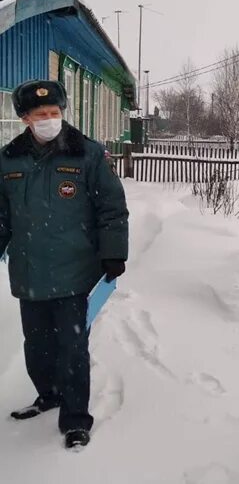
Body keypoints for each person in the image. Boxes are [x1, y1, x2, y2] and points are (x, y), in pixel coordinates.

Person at [1, 80, 129, 449]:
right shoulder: (8, 159)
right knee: (37, 346)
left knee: (72, 348)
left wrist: (113, 253)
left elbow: (112, 208)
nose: (49, 119)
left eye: (55, 113)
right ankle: (49, 394)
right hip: (29, 272)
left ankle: (75, 419)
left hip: (75, 273)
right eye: (41, 115)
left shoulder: (86, 154)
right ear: (25, 118)